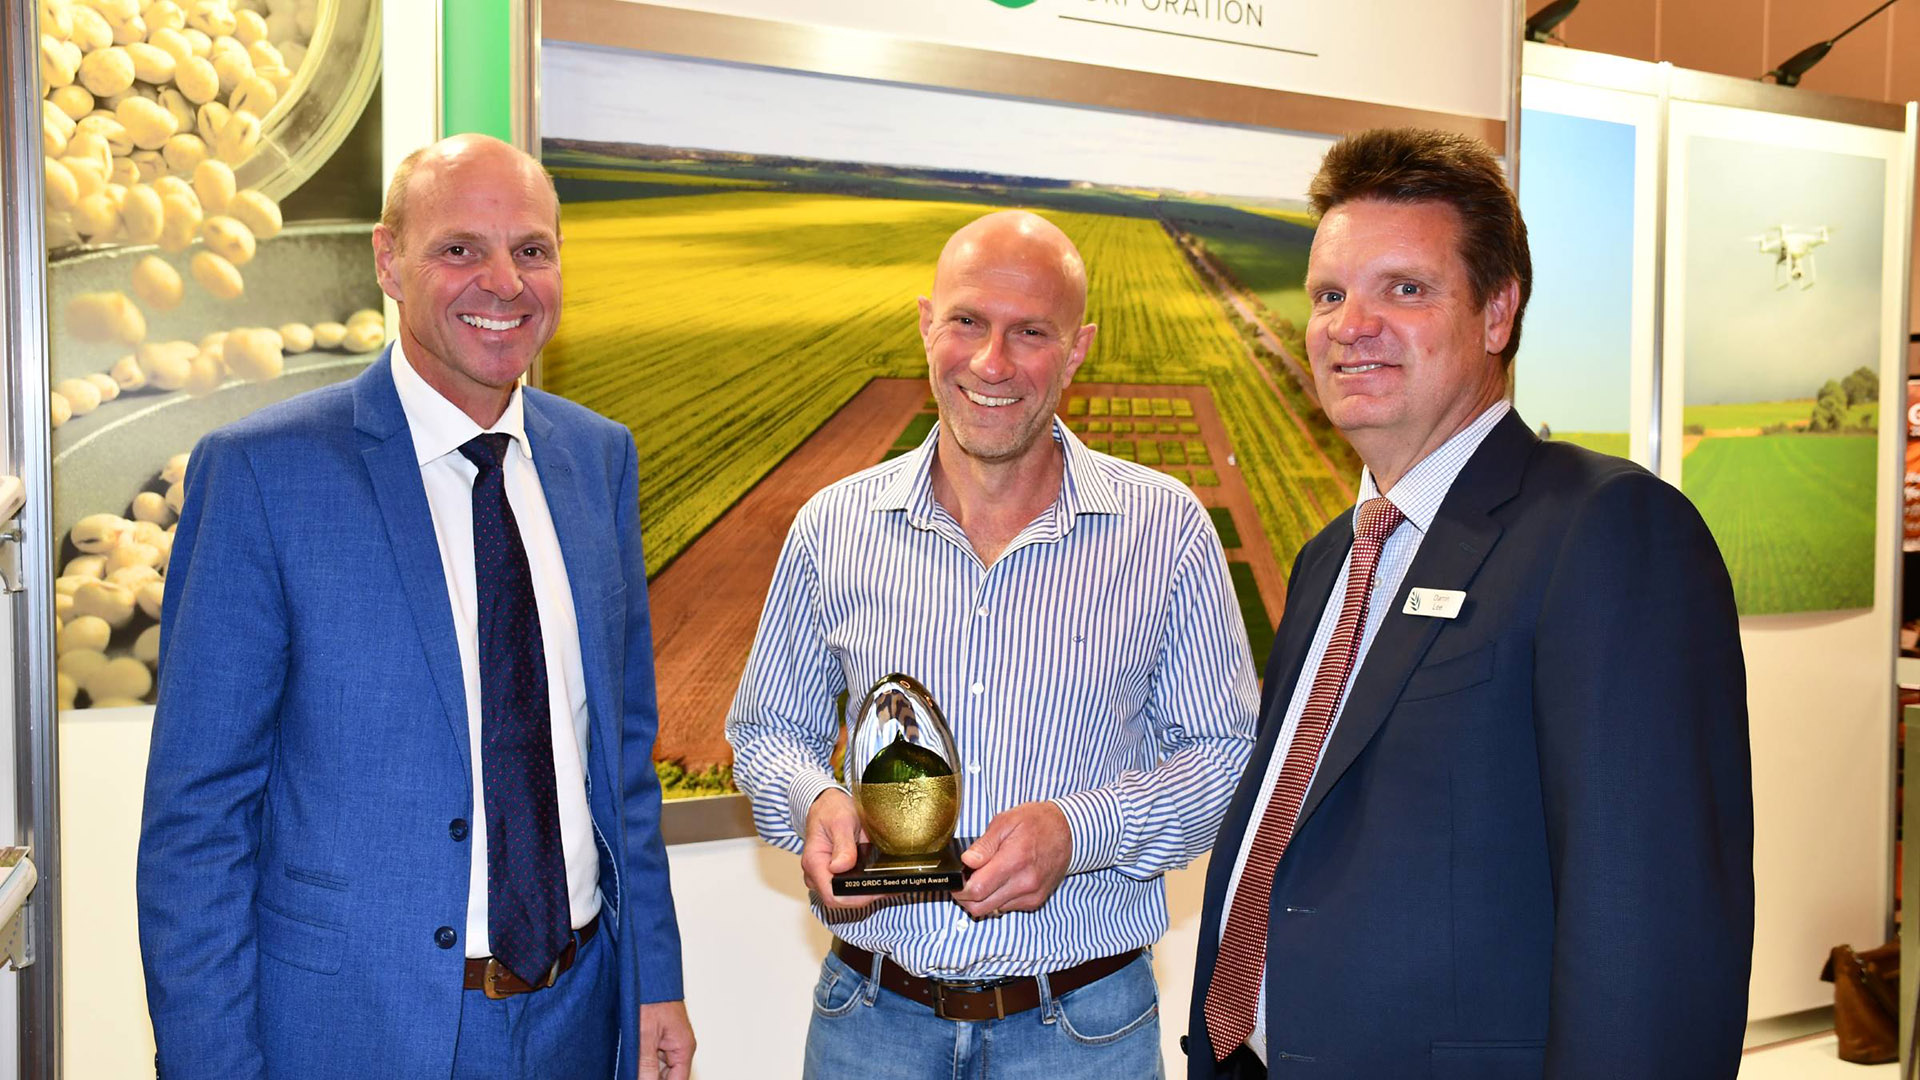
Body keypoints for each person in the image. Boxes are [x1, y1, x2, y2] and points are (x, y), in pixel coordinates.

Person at [1187, 128, 1753, 1078]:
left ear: (1497, 314)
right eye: (1329, 294)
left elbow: (1650, 927)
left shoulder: (1608, 533)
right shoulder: (1335, 556)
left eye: (1404, 288)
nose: (1348, 323)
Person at [137, 134, 694, 1079]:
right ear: (390, 260)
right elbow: (198, 823)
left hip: (576, 1013)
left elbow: (620, 761)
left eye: (532, 249)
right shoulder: (265, 474)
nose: (504, 283)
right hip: (355, 1031)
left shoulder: (599, 459)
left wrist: (654, 979)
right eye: (459, 250)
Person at [726, 209, 1258, 1077]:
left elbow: (1227, 757)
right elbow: (763, 733)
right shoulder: (834, 526)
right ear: (926, 323)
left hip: (1083, 1028)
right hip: (870, 1019)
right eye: (968, 321)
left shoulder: (1166, 530)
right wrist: (814, 803)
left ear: (1079, 347)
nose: (992, 363)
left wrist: (1078, 831)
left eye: (1031, 332)